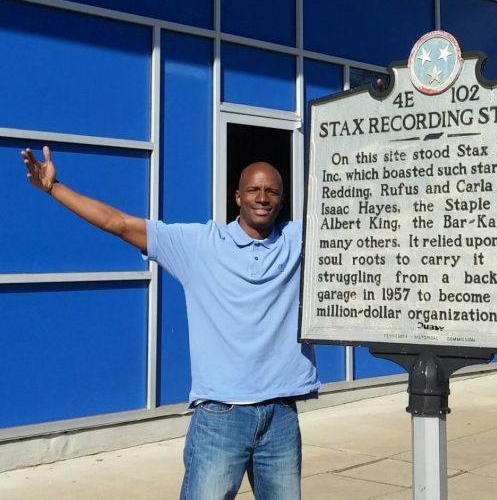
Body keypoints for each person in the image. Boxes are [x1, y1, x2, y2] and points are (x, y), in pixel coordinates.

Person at [20, 146, 320, 500]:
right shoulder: (200, 245)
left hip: (281, 415)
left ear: (282, 201)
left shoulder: (298, 241)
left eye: (272, 191)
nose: (263, 198)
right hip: (221, 416)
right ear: (237, 196)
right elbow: (117, 222)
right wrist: (55, 188)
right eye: (254, 189)